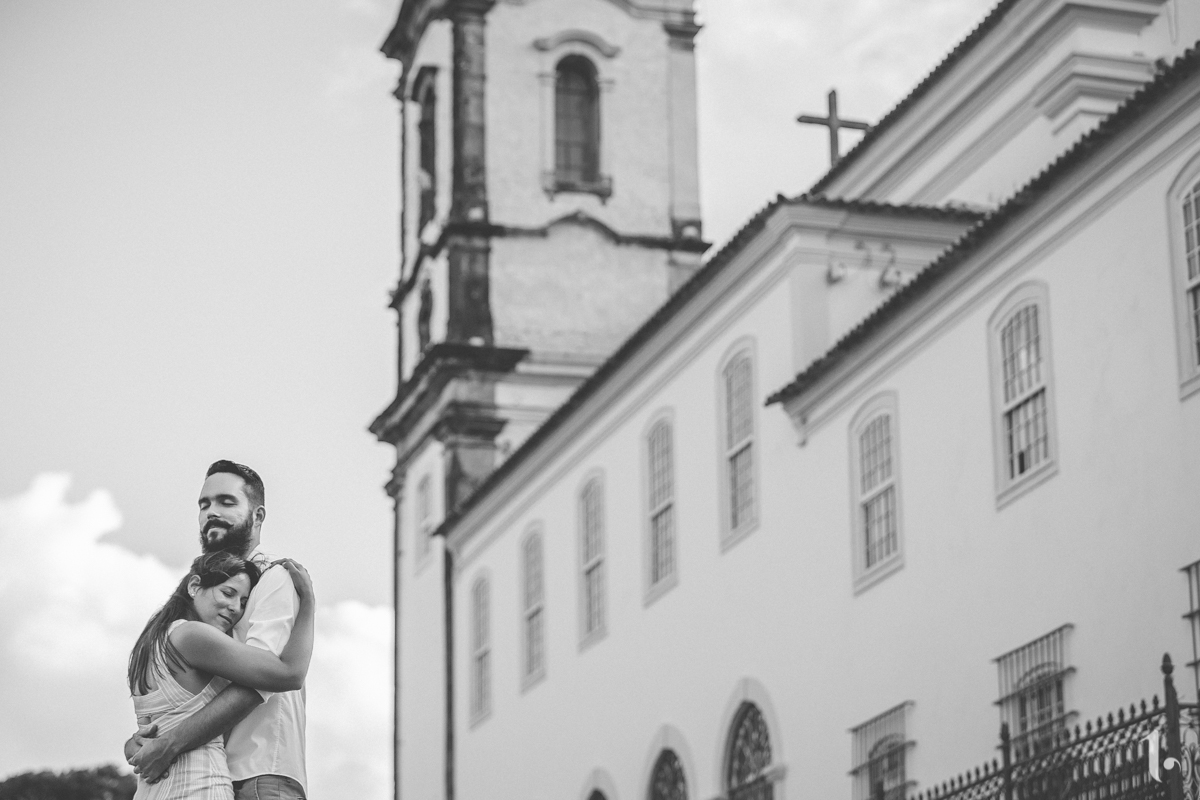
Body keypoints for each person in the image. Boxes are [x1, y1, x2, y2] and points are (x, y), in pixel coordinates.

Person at [126, 461, 312, 800]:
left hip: (258, 773)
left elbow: (264, 682)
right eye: (204, 504)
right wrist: (142, 740)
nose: (211, 512)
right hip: (207, 778)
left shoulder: (274, 577)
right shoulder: (200, 600)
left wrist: (169, 743)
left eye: (226, 502)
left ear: (257, 516)